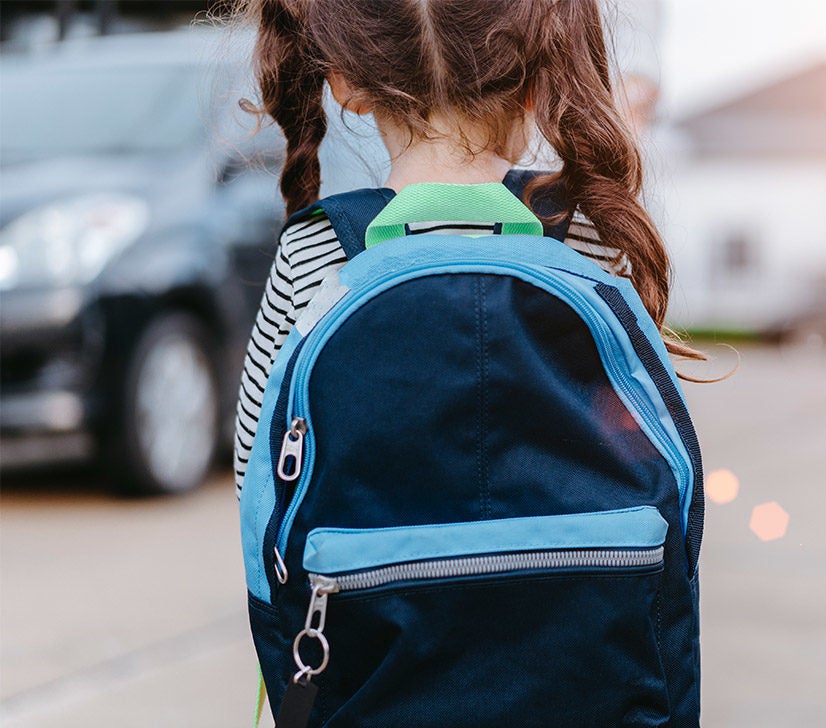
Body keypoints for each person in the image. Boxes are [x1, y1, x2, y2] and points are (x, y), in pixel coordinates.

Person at [231, 0, 701, 496]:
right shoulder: (585, 236)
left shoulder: (317, 247)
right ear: (537, 78)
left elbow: (255, 473)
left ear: (346, 84)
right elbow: (644, 450)